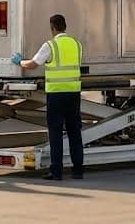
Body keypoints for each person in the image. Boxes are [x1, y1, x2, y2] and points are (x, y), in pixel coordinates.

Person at [11, 14, 84, 181]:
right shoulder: (76, 44)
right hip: (74, 94)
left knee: (56, 133)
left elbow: (33, 64)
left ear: (52, 28)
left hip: (56, 95)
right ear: (65, 26)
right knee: (74, 133)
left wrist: (19, 61)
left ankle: (56, 172)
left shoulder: (51, 45)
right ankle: (78, 171)